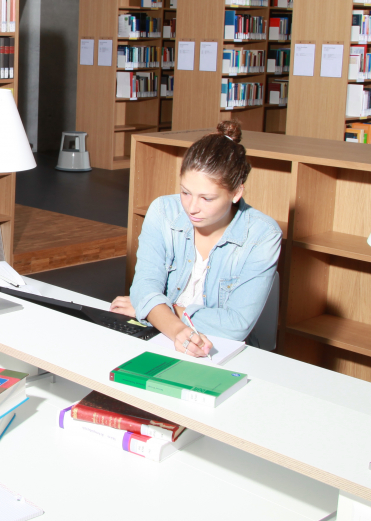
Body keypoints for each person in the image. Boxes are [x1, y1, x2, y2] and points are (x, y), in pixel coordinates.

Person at [110, 121, 281, 356]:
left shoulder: (263, 235)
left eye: (207, 199)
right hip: (163, 336)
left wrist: (158, 310)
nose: (192, 208)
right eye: (185, 192)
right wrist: (175, 327)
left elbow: (235, 326)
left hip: (224, 352)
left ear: (236, 192)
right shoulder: (163, 211)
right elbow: (144, 287)